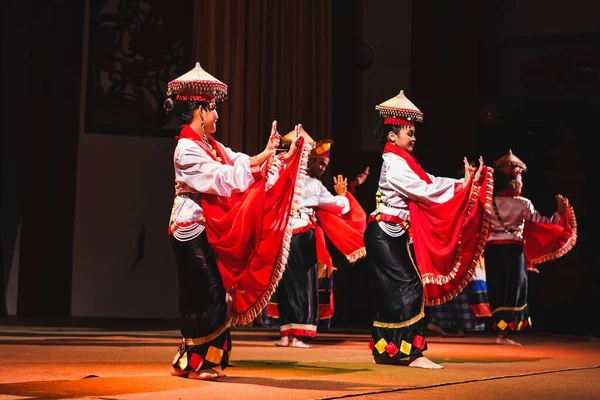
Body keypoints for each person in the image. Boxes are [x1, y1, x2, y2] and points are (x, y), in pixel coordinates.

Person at [164, 63, 308, 380]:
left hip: (206, 225)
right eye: (213, 109)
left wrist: (274, 152)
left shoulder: (211, 146)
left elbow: (240, 160)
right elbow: (223, 177)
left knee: (207, 293)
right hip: (190, 226)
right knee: (207, 293)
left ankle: (190, 361)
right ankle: (199, 363)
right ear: (199, 111)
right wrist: (261, 165)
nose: (217, 115)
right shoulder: (186, 148)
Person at [364, 90, 493, 369]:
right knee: (410, 288)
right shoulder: (395, 165)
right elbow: (425, 192)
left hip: (389, 234)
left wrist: (461, 183)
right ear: (392, 136)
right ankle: (411, 353)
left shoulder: (404, 163)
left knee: (395, 294)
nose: (413, 137)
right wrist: (463, 188)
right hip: (385, 234)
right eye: (408, 132)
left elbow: (430, 181)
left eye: (413, 132)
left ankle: (389, 351)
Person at [268, 126, 367, 348]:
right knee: (304, 283)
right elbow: (337, 207)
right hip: (302, 235)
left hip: (282, 235)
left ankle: (285, 334)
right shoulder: (311, 184)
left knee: (285, 283)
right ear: (309, 160)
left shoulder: (281, 178)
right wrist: (343, 195)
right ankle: (300, 334)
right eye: (320, 163)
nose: (322, 168)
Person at [486, 150, 577, 346]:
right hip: (512, 251)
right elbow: (544, 222)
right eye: (520, 182)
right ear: (513, 183)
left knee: (497, 288)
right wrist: (560, 213)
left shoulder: (489, 202)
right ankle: (502, 335)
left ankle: (499, 331)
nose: (521, 185)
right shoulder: (523, 203)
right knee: (514, 290)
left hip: (492, 250)